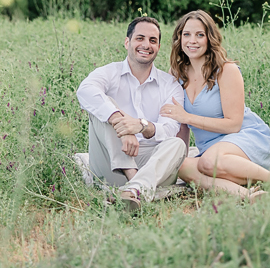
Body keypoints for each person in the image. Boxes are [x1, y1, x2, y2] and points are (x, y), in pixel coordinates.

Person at [160, 10, 270, 200]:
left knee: (208, 162)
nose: (192, 40)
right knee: (182, 166)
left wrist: (188, 117)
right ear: (179, 38)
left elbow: (233, 124)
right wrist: (177, 153)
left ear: (209, 38)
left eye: (200, 35)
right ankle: (249, 195)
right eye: (187, 34)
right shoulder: (176, 74)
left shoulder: (226, 70)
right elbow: (180, 124)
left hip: (244, 138)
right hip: (210, 149)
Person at [76, 16, 188, 212]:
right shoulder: (109, 72)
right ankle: (135, 181)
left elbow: (170, 129)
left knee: (177, 143)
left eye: (153, 40)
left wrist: (142, 126)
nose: (146, 45)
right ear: (127, 42)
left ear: (158, 47)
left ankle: (133, 189)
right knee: (105, 106)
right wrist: (122, 124)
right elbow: (85, 90)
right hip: (110, 165)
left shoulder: (169, 85)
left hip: (153, 167)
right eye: (140, 38)